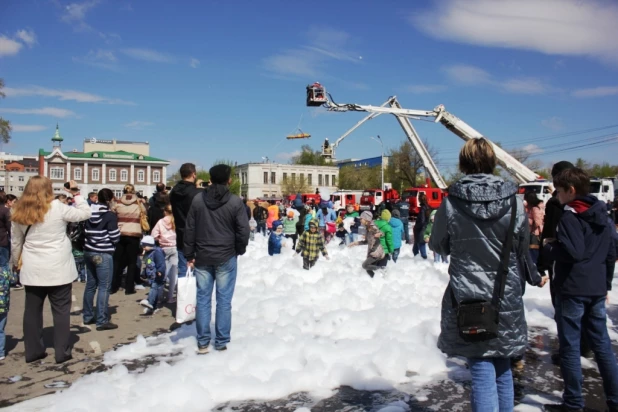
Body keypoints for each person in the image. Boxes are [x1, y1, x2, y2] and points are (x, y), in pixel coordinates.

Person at [429, 138, 545, 412]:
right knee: (503, 367)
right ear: (493, 162)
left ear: (463, 163)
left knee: (481, 369)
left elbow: (437, 245)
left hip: (468, 296)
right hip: (506, 295)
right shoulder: (516, 204)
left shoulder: (451, 204)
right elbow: (520, 247)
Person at [543, 168, 618, 412]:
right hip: (595, 289)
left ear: (571, 191)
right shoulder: (603, 215)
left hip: (572, 289)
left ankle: (573, 403)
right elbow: (610, 254)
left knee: (570, 348)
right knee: (602, 347)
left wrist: (551, 249)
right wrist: (605, 284)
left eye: (559, 190)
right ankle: (615, 401)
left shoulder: (570, 217)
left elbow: (573, 252)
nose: (556, 195)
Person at [11, 177, 91, 364]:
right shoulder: (57, 207)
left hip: (33, 267)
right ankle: (61, 352)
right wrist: (76, 193)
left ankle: (33, 351)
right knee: (61, 311)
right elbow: (85, 213)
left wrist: (16, 262)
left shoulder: (19, 210)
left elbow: (16, 241)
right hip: (58, 267)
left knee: (32, 311)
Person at [185, 164, 249, 354]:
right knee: (223, 300)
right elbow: (243, 230)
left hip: (203, 255)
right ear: (228, 180)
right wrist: (239, 249)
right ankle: (220, 341)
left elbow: (190, 228)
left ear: (211, 179)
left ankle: (203, 342)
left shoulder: (198, 200)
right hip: (226, 255)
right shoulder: (235, 202)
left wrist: (189, 253)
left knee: (203, 299)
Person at [83, 188, 120, 331]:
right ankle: (102, 320)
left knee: (90, 285)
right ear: (110, 199)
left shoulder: (88, 212)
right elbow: (114, 236)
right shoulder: (110, 215)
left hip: (88, 250)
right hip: (103, 252)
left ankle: (87, 316)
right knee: (104, 286)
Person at [112, 184, 146, 295]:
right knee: (132, 262)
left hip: (120, 233)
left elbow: (112, 213)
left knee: (116, 260)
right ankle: (129, 288)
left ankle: (114, 286)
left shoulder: (118, 203)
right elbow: (144, 213)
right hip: (134, 234)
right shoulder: (139, 203)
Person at [170, 163, 202, 282]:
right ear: (193, 174)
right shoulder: (196, 193)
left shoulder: (174, 192)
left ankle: (183, 297)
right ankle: (196, 298)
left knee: (183, 268)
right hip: (196, 235)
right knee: (199, 270)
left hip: (180, 232)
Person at [151, 204, 178, 303]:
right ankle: (170, 297)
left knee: (162, 272)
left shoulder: (161, 222)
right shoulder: (176, 220)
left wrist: (160, 239)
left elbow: (153, 235)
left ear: (165, 211)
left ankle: (159, 296)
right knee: (173, 274)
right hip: (175, 248)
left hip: (163, 248)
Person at [348, 211, 385, 278]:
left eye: (361, 218)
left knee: (364, 265)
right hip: (372, 251)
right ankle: (375, 279)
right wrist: (355, 243)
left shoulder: (372, 226)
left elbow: (382, 233)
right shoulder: (367, 228)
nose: (360, 220)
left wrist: (380, 234)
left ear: (366, 219)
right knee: (368, 269)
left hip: (376, 251)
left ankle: (381, 269)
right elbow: (366, 242)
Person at [138, 236, 166, 315]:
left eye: (145, 246)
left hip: (158, 276)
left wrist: (160, 270)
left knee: (154, 289)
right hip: (152, 276)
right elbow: (149, 264)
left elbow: (161, 263)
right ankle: (153, 307)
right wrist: (145, 273)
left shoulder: (157, 252)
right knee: (155, 291)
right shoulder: (148, 253)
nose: (144, 248)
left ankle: (149, 302)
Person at [524, 192, 544, 265]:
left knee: (533, 251)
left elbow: (537, 222)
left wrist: (530, 223)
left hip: (534, 233)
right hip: (529, 232)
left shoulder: (535, 208)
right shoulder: (528, 207)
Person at [413, 193, 429, 259]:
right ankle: (418, 263)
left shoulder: (423, 208)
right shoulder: (427, 207)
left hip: (421, 230)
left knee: (421, 248)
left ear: (419, 199)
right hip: (424, 228)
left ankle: (423, 262)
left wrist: (416, 226)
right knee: (415, 249)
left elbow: (422, 221)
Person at [0, 192, 11, 285]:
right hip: (2, 240)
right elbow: (9, 226)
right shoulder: (5, 210)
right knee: (3, 264)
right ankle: (4, 285)